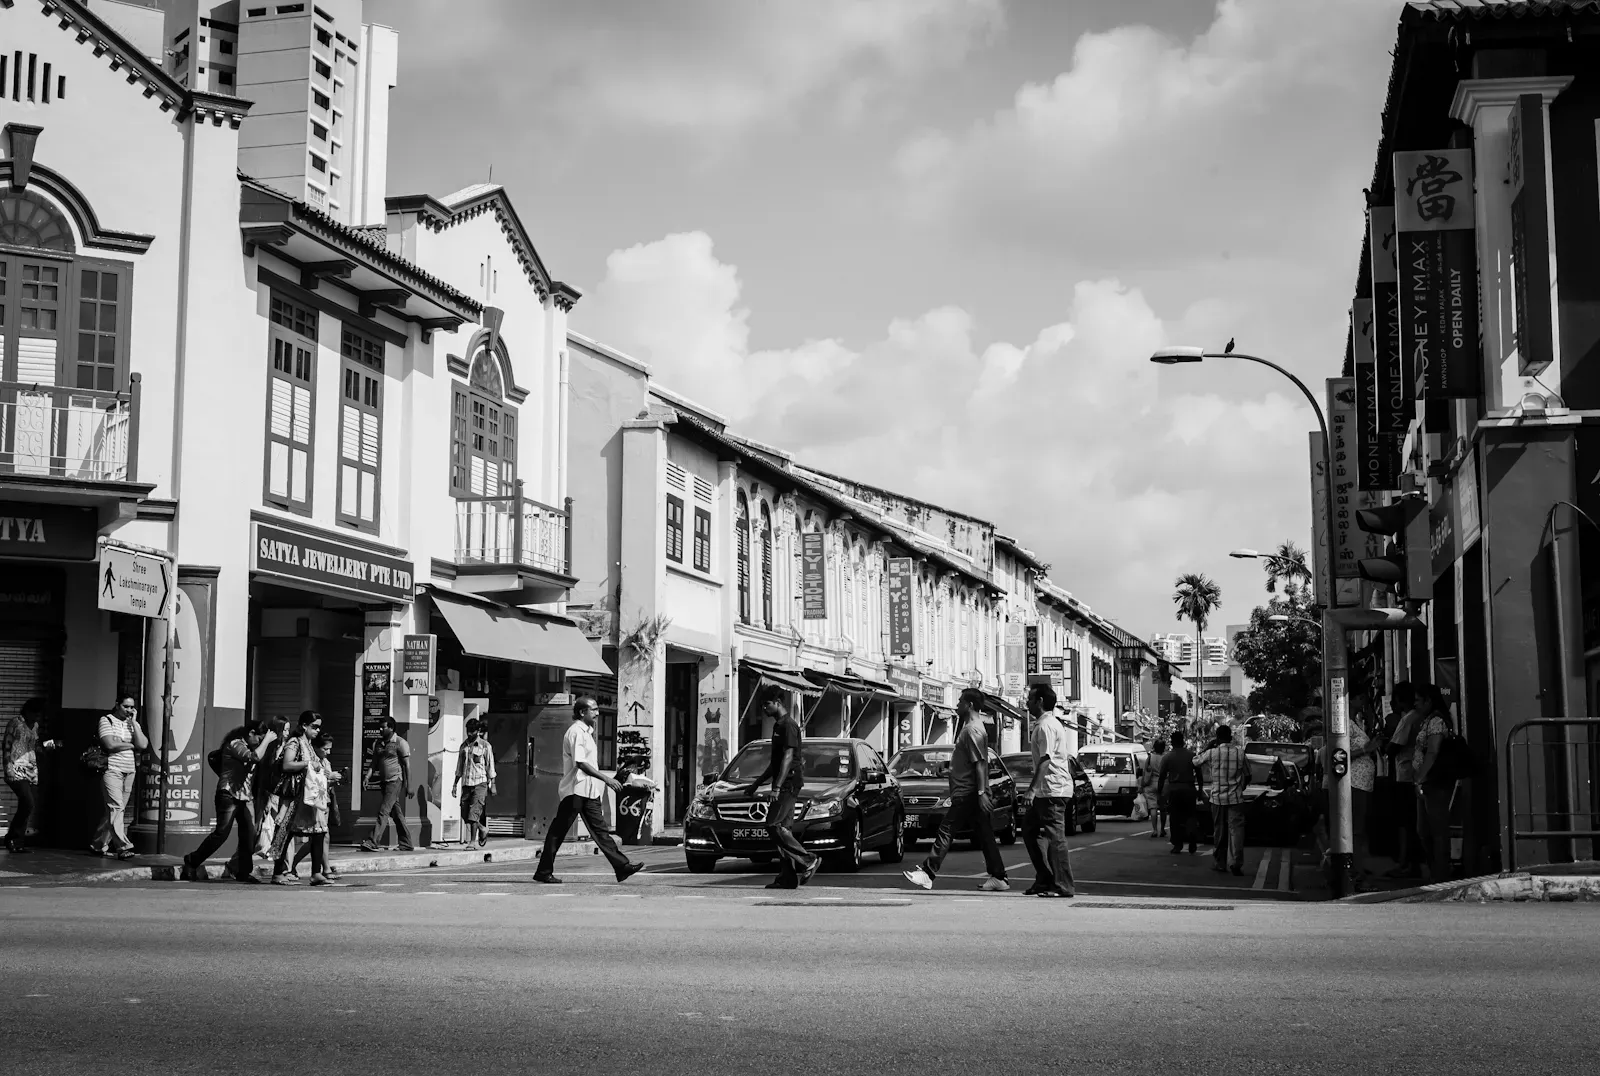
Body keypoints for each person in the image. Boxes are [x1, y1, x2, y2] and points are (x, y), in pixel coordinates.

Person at [904, 688, 1010, 892]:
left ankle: (928, 872)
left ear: (969, 705)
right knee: (985, 835)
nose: (957, 704)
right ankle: (999, 876)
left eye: (960, 701)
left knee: (946, 830)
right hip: (970, 790)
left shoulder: (972, 730)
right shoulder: (974, 727)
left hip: (968, 792)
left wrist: (980, 793)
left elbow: (979, 763)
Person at [533, 697, 644, 885]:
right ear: (583, 712)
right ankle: (544, 871)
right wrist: (606, 778)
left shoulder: (588, 733)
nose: (598, 713)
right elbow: (581, 763)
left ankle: (622, 867)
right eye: (594, 709)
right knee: (558, 832)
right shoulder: (576, 732)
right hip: (575, 790)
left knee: (601, 832)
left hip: (590, 792)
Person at [737, 687, 820, 891]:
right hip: (785, 782)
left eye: (767, 704)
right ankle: (787, 877)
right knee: (784, 830)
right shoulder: (778, 726)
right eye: (763, 705)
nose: (764, 708)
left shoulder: (788, 726)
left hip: (789, 784)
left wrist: (776, 787)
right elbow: (775, 763)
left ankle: (808, 860)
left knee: (773, 826)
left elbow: (788, 758)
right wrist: (756, 784)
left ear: (778, 703)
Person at [181, 720, 278, 882]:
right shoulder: (235, 744)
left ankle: (243, 872)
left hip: (246, 797)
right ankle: (191, 861)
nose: (261, 743)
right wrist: (267, 740)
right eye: (259, 739)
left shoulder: (253, 746)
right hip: (228, 794)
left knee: (249, 835)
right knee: (221, 833)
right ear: (251, 733)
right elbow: (253, 758)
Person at [1019, 683, 1074, 898]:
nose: (1028, 703)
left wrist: (1031, 790)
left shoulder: (1046, 726)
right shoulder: (1045, 724)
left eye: (1030, 699)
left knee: (1055, 838)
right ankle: (1044, 878)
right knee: (1029, 830)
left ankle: (1063, 885)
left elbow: (1046, 759)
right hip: (1047, 790)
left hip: (1052, 790)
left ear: (1040, 701)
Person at [269, 711, 324, 885]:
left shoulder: (308, 744)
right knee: (286, 832)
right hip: (294, 797)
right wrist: (308, 764)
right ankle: (278, 873)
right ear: (303, 726)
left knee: (319, 832)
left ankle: (316, 873)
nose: (317, 731)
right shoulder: (295, 742)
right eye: (314, 727)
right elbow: (287, 764)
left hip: (308, 796)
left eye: (319, 728)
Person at [91, 695, 148, 860]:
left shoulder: (132, 724)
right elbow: (109, 744)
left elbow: (143, 744)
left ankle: (97, 844)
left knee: (116, 809)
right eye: (126, 706)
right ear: (117, 705)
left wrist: (134, 724)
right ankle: (123, 847)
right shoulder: (106, 720)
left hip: (129, 770)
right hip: (112, 769)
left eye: (132, 707)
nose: (129, 710)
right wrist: (131, 744)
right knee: (116, 807)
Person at [1411, 684, 1454, 884]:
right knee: (1424, 830)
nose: (1415, 704)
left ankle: (1441, 873)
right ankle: (1435, 870)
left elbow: (1433, 751)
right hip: (1426, 782)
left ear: (1429, 701)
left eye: (1418, 700)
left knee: (1437, 830)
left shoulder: (1436, 721)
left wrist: (1421, 776)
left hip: (1435, 781)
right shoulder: (1426, 721)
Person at [1383, 682, 1426, 878]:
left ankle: (1405, 862)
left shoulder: (1408, 719)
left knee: (1405, 823)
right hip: (1416, 775)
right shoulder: (1420, 717)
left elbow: (1393, 748)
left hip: (1405, 774)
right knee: (1413, 821)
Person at [3, 699, 57, 854]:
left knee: (27, 806)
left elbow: (35, 747)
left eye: (38, 715)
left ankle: (17, 842)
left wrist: (47, 747)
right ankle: (12, 838)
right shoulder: (15, 723)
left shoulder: (35, 726)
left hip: (31, 769)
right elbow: (6, 746)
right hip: (16, 768)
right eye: (34, 714)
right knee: (28, 802)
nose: (36, 718)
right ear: (26, 711)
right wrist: (8, 768)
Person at [1194, 725, 1249, 876]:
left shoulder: (1212, 752)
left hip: (1217, 798)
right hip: (1236, 798)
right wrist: (1240, 788)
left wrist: (1208, 746)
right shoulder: (1240, 753)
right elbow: (1248, 774)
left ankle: (1220, 863)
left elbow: (1195, 761)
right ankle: (1236, 863)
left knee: (1219, 830)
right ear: (1231, 738)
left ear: (1217, 738)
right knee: (1236, 831)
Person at [290, 735, 344, 880]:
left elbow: (325, 785)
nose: (328, 752)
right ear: (315, 747)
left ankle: (303, 866)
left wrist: (334, 779)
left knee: (320, 837)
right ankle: (323, 869)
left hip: (324, 801)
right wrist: (329, 777)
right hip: (314, 803)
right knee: (320, 836)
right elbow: (313, 782)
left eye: (329, 749)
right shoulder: (312, 762)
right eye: (325, 749)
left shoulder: (325, 762)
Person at [360, 716, 413, 853]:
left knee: (383, 811)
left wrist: (409, 785)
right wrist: (367, 776)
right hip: (384, 782)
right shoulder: (378, 743)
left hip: (395, 781)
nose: (380, 729)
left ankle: (373, 841)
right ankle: (406, 843)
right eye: (380, 727)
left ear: (391, 728)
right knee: (396, 813)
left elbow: (407, 765)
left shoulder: (400, 743)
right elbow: (374, 763)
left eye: (383, 727)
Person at [452, 718, 497, 849]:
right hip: (466, 783)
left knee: (474, 812)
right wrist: (455, 784)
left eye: (472, 731)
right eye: (468, 731)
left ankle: (472, 842)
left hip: (480, 783)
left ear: (478, 731)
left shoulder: (485, 746)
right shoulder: (463, 746)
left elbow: (490, 766)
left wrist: (492, 784)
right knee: (464, 813)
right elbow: (459, 766)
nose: (469, 734)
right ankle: (482, 829)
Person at [1157, 729, 1200, 855]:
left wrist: (1160, 793)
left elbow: (1162, 776)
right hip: (1189, 789)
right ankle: (1192, 837)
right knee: (1190, 816)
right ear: (1183, 741)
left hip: (1174, 790)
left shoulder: (1168, 757)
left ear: (1172, 742)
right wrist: (1200, 788)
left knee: (1175, 818)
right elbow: (1199, 773)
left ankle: (1177, 844)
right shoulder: (1191, 755)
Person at [1142, 738, 1168, 839]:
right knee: (1163, 808)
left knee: (1153, 807)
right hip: (1164, 783)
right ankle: (1162, 830)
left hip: (1151, 783)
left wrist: (1142, 785)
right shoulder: (1166, 758)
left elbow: (1145, 772)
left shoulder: (1150, 757)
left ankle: (1154, 830)